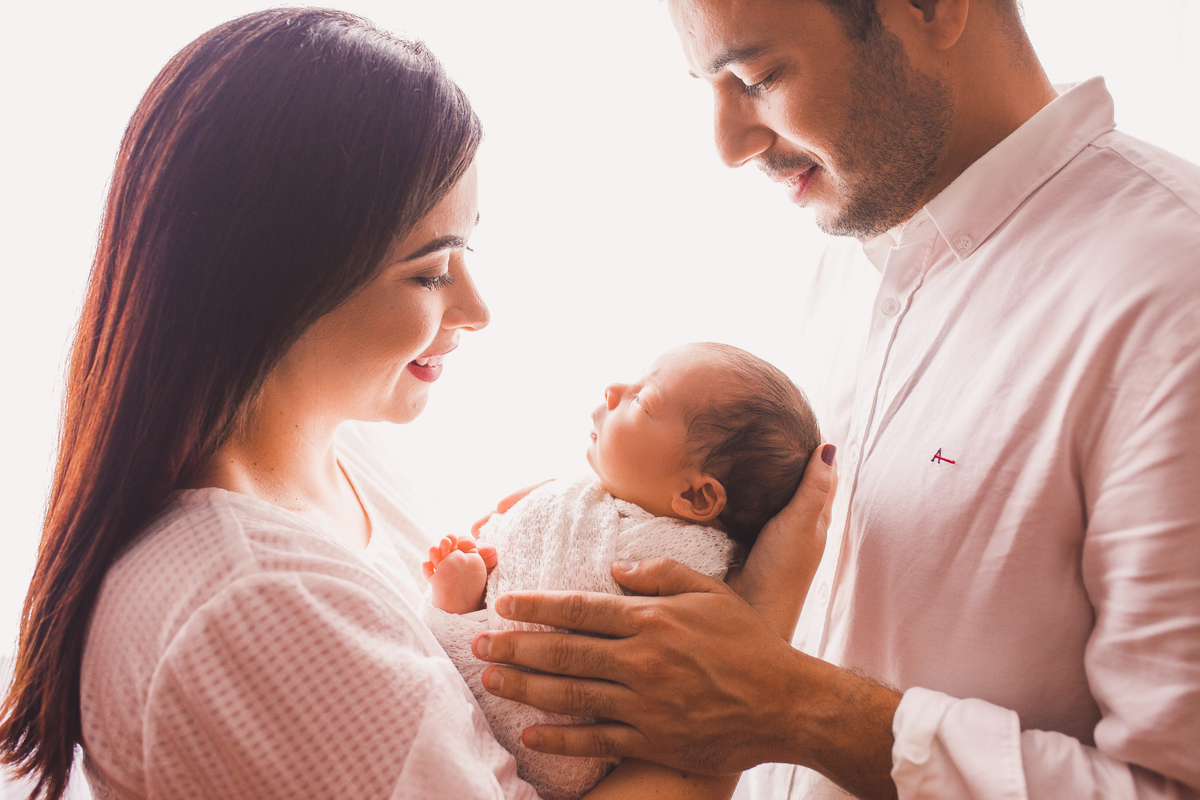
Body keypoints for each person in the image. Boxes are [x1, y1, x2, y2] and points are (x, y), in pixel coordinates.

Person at [0, 8, 839, 800]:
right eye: (431, 271)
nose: (477, 308)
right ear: (274, 284)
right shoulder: (252, 602)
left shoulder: (343, 455)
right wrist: (754, 646)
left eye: (467, 248)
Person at [465, 1, 1200, 798]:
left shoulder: (1170, 304)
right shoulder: (850, 255)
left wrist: (796, 711)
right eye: (709, 84)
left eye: (758, 76)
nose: (728, 145)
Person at [422, 342, 825, 800]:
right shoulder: (579, 497)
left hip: (544, 739)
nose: (614, 390)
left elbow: (565, 620)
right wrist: (491, 567)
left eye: (644, 401)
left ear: (696, 498)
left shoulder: (686, 565)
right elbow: (523, 571)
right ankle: (462, 615)